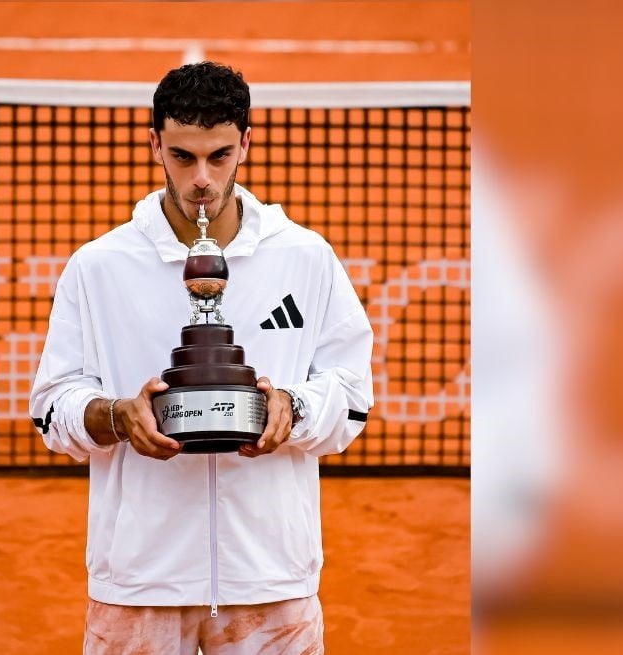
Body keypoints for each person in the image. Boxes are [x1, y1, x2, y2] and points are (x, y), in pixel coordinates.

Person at [29, 61, 374, 655]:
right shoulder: (98, 266)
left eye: (218, 156)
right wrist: (115, 416)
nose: (202, 180)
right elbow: (50, 407)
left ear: (245, 142)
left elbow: (352, 396)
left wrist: (295, 407)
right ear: (155, 145)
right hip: (140, 582)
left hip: (271, 577)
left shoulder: (307, 258)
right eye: (183, 157)